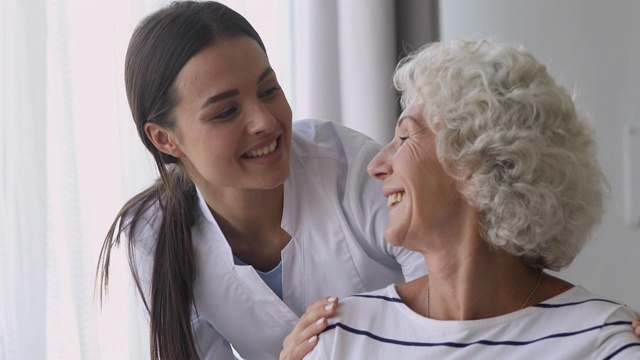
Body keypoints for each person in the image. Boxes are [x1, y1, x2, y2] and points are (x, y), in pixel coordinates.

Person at [96, 1, 426, 359]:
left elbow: (456, 297)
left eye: (268, 91)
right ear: (164, 139)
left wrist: (348, 332)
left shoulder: (349, 167)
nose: (265, 121)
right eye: (225, 112)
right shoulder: (153, 237)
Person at [304, 39, 640, 359]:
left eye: (405, 136)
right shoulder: (342, 336)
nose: (376, 165)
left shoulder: (601, 340)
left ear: (475, 159)